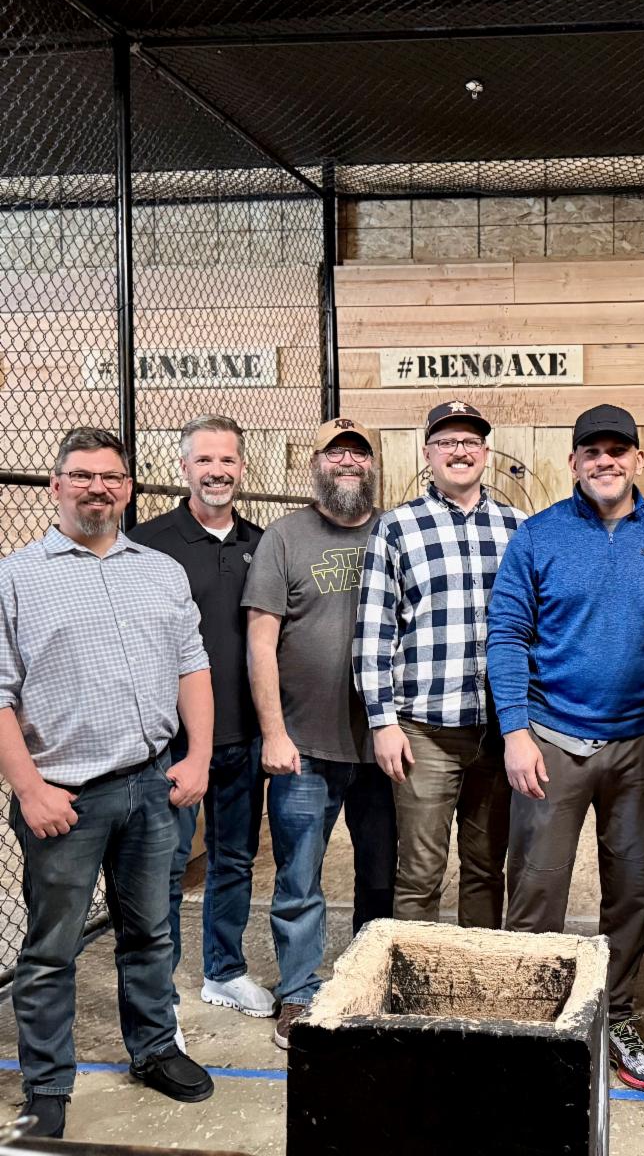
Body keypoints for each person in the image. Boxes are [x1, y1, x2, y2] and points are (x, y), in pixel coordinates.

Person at [487, 404, 644, 1094]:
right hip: (552, 740)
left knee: (631, 889)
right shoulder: (538, 536)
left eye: (618, 450)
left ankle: (615, 1015)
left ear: (638, 460)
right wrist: (515, 731)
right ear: (574, 463)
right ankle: (528, 1024)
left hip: (642, 742)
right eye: (592, 451)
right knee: (536, 889)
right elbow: (507, 635)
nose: (605, 461)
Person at [0, 428, 217, 1137]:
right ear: (56, 485)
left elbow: (192, 666)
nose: (98, 487)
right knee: (51, 948)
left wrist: (198, 756)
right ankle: (47, 1085)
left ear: (128, 487)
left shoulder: (159, 571)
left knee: (150, 931)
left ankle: (154, 1049)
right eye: (82, 475)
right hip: (64, 797)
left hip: (151, 786)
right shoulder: (16, 577)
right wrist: (29, 790)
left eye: (112, 477)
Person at [242, 417, 396, 1050]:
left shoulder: (398, 529)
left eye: (359, 453)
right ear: (316, 464)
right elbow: (260, 642)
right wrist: (274, 733)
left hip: (385, 743)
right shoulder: (285, 537)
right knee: (299, 877)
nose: (348, 462)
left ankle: (369, 983)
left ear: (374, 464)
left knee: (381, 875)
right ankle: (299, 991)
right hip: (304, 744)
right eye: (336, 454)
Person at [355, 401, 524, 927]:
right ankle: (412, 973)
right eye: (447, 442)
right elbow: (374, 631)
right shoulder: (396, 528)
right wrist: (382, 722)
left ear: (486, 453)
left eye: (470, 442)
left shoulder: (519, 527)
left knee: (486, 868)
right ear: (427, 453)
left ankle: (473, 968)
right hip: (424, 732)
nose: (460, 451)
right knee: (420, 874)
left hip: (498, 731)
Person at [130, 416, 272, 1037]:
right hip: (175, 743)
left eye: (228, 460)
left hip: (243, 736)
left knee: (234, 859)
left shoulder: (262, 543)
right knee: (163, 870)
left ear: (242, 467)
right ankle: (157, 994)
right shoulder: (147, 543)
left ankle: (224, 970)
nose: (217, 471)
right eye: (205, 461)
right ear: (184, 467)